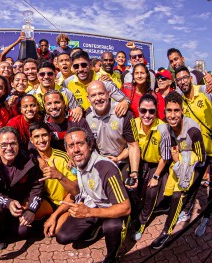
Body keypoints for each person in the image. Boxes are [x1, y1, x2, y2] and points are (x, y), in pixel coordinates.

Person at [57, 127, 131, 263]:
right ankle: (97, 228)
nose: (76, 149)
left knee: (112, 228)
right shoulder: (79, 163)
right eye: (71, 146)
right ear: (67, 151)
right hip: (93, 207)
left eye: (80, 143)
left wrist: (89, 212)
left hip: (112, 209)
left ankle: (110, 259)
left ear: (90, 145)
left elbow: (125, 207)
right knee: (63, 236)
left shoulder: (105, 168)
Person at [174, 66, 212, 236]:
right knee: (194, 180)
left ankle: (207, 214)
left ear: (190, 78)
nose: (183, 81)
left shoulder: (204, 90)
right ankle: (186, 211)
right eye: (179, 79)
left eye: (185, 77)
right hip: (199, 150)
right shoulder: (181, 100)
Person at [151, 91, 205, 249]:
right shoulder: (165, 128)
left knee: (178, 194)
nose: (172, 115)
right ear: (164, 111)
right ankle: (172, 205)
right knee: (166, 188)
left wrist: (187, 170)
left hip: (193, 164)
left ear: (182, 111)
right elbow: (166, 153)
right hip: (176, 162)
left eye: (176, 110)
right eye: (169, 110)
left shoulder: (192, 130)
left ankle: (166, 232)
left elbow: (201, 159)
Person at [0, 127, 43, 249]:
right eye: (4, 144)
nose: (9, 148)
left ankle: (11, 227)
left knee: (23, 232)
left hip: (20, 207)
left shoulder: (29, 161)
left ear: (19, 144)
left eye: (13, 143)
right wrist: (8, 202)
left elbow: (37, 186)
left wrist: (31, 210)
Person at [85, 80, 140, 197]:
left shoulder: (123, 113)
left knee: (125, 193)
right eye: (93, 95)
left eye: (101, 93)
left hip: (122, 160)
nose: (98, 98)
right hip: (99, 161)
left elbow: (133, 145)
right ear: (88, 98)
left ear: (108, 93)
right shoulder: (86, 116)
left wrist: (134, 172)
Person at [131, 94, 171, 241]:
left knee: (151, 191)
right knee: (132, 188)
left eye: (151, 111)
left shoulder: (163, 129)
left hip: (156, 164)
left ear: (156, 111)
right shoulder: (133, 124)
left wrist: (156, 176)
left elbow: (165, 157)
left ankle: (142, 222)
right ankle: (131, 216)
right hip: (139, 163)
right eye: (143, 110)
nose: (147, 115)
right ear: (138, 110)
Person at [28, 122, 77, 237]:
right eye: (36, 137)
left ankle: (55, 218)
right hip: (48, 202)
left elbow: (75, 191)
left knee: (55, 232)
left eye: (44, 135)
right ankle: (47, 220)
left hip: (66, 201)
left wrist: (59, 175)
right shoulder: (32, 160)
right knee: (25, 211)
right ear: (31, 140)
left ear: (50, 136)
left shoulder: (63, 157)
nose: (41, 140)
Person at [63, 50, 129, 114]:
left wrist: (125, 102)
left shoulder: (104, 81)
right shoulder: (67, 83)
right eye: (76, 66)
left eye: (84, 65)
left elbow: (125, 99)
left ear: (90, 65)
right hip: (81, 122)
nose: (80, 69)